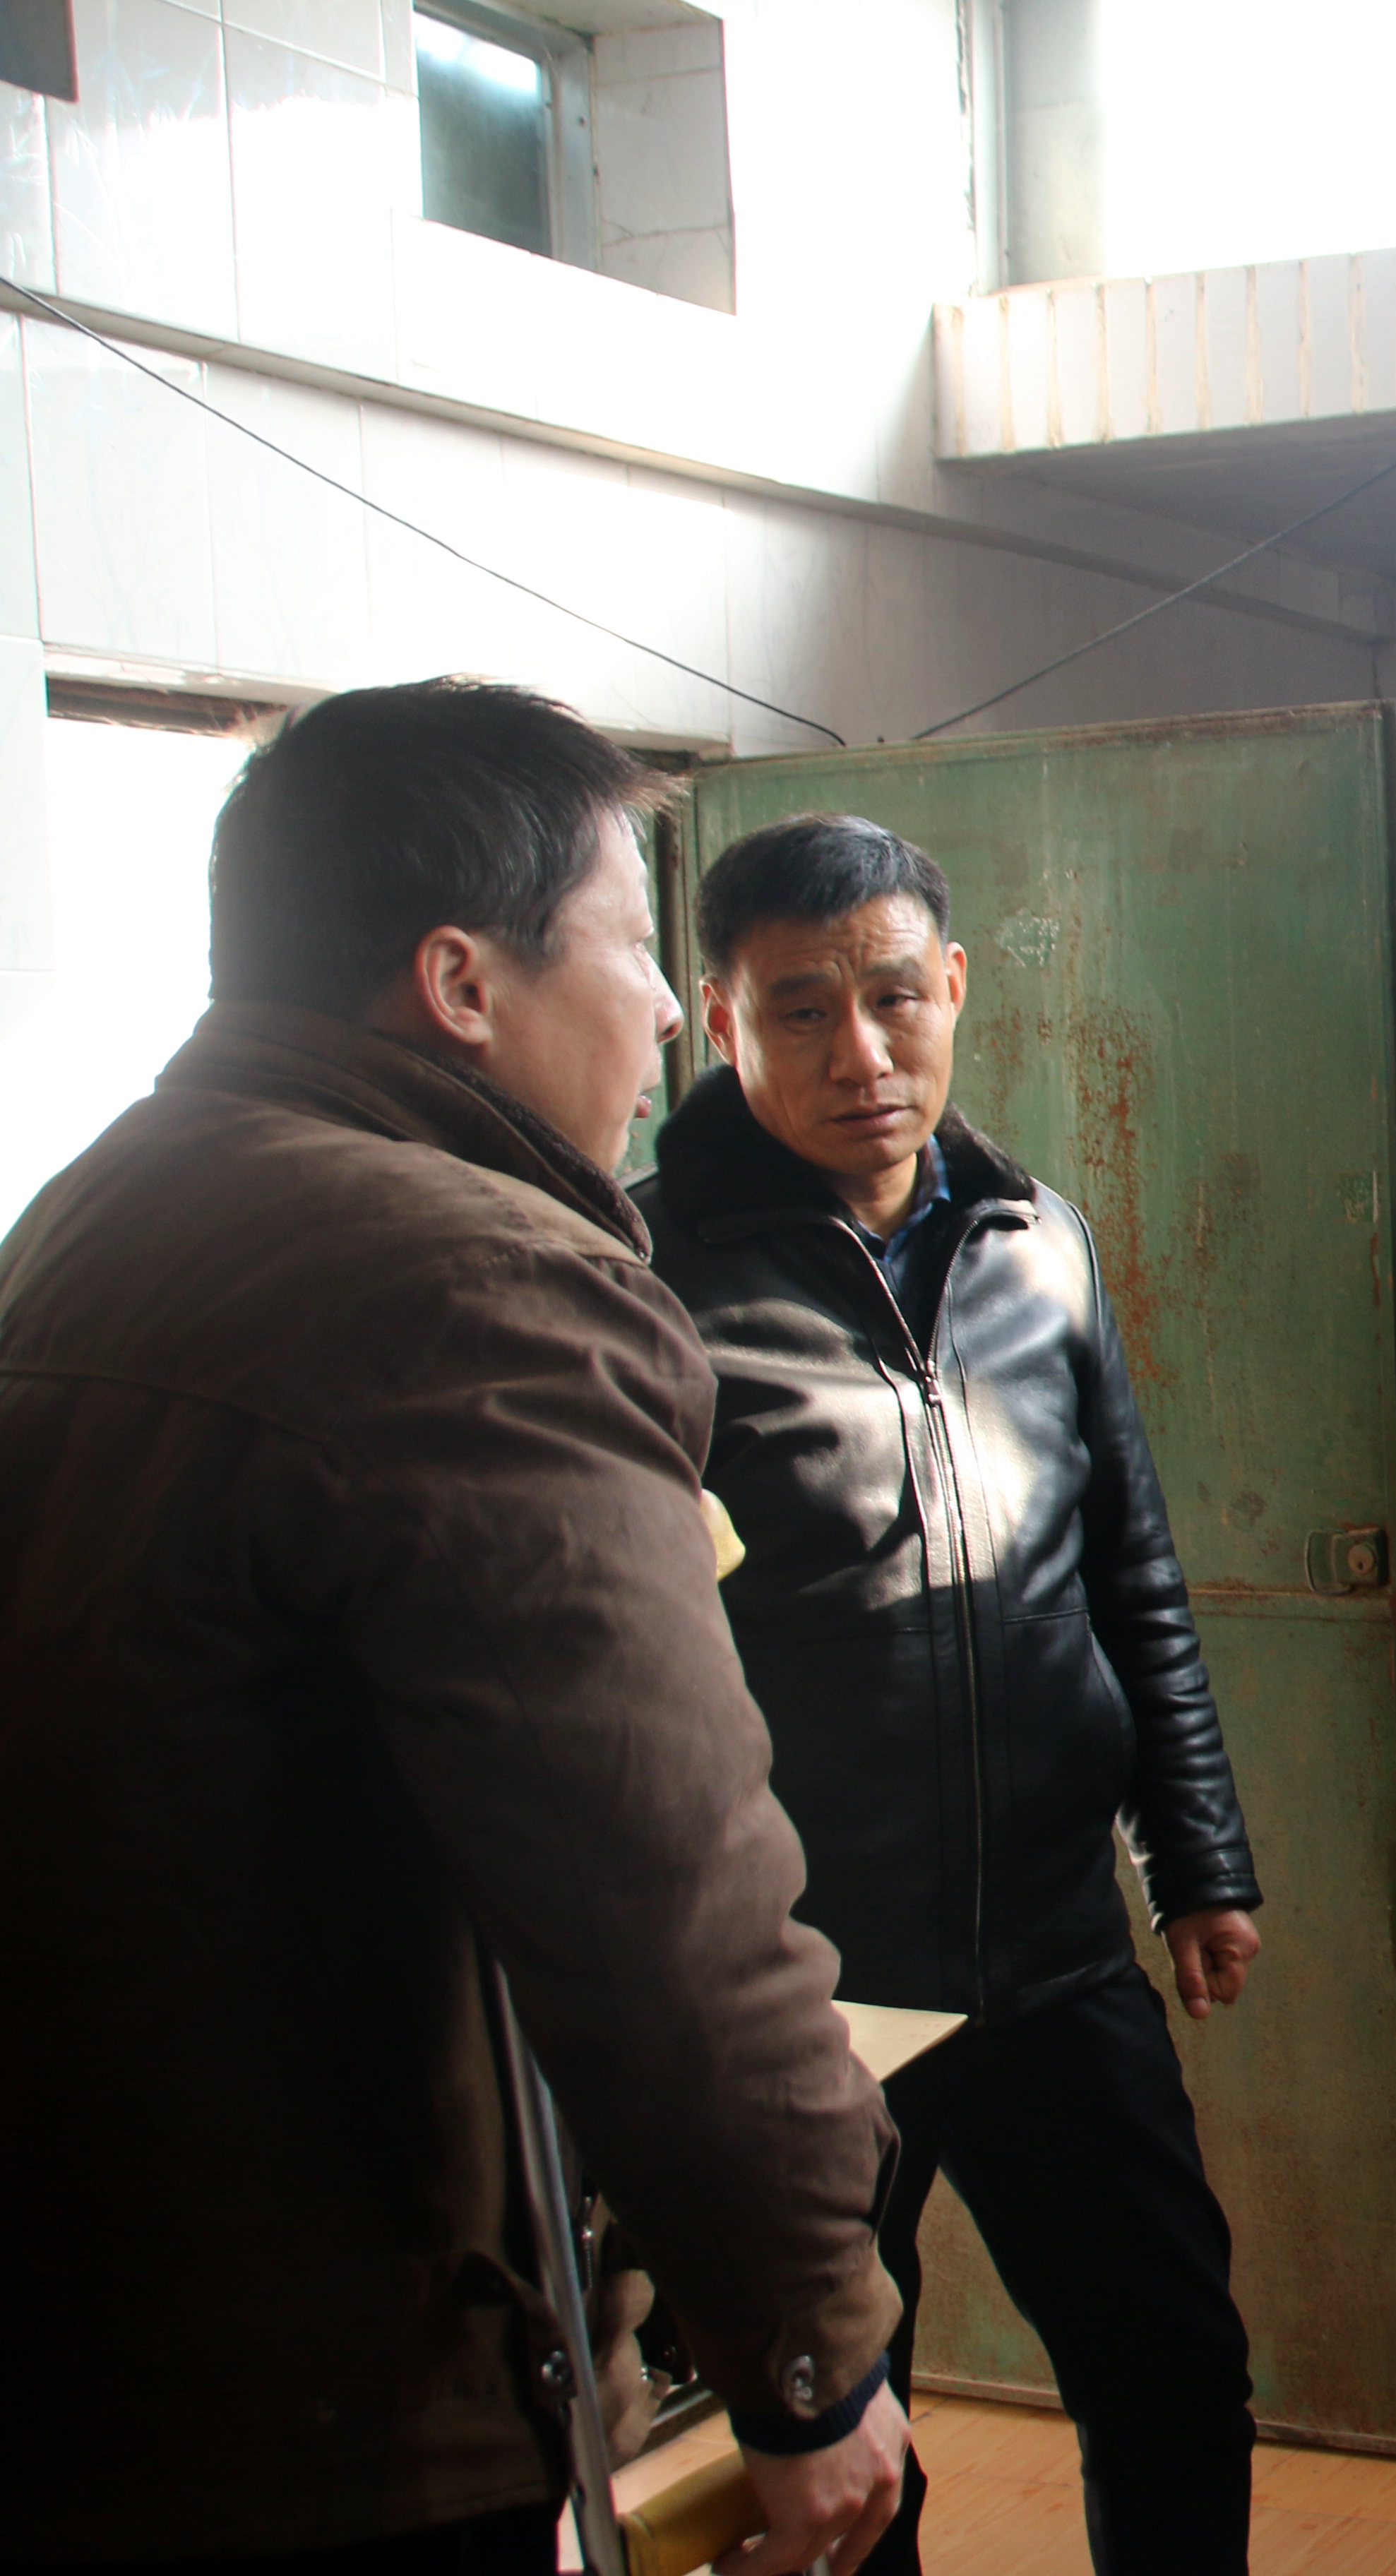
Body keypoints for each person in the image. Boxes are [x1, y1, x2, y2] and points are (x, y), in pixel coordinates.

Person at [0, 680, 906, 2573]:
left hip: (100, 2342)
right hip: (337, 2385)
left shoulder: (90, 1218)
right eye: (632, 947)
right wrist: (806, 2346)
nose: (672, 1014)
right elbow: (658, 1887)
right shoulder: (473, 1285)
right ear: (460, 982)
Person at [633, 813, 1265, 2576]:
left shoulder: (1033, 1241)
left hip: (1056, 1948)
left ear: (958, 987)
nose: (863, 1053)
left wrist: (1196, 1855)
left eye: (896, 996)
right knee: (850, 2437)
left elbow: (1129, 1571)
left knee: (1174, 2368)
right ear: (720, 1016)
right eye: (801, 1009)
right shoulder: (650, 1279)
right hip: (813, 1986)